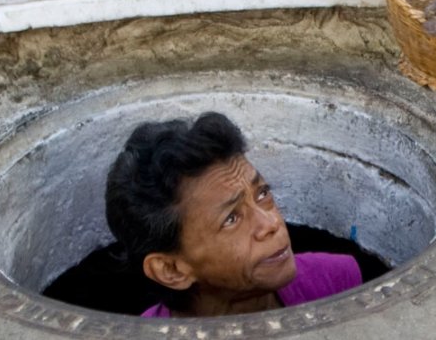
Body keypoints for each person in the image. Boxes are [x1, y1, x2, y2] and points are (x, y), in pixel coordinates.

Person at [105, 111, 362, 317]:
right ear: (171, 270)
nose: (271, 223)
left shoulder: (337, 283)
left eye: (262, 194)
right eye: (231, 219)